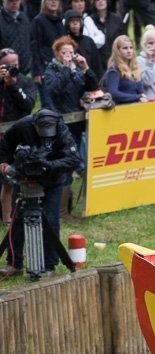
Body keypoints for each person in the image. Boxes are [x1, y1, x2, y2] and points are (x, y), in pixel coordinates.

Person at [0, 108, 80, 279]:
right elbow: (5, 143)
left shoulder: (61, 130)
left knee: (51, 220)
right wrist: (5, 162)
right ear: (34, 124)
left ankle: (49, 265)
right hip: (24, 179)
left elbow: (73, 159)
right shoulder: (22, 126)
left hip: (52, 180)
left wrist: (48, 165)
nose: (45, 135)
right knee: (17, 220)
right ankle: (14, 264)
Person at [44, 36, 99, 180]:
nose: (68, 56)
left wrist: (86, 68)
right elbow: (55, 91)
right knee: (66, 162)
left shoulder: (77, 71)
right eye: (64, 53)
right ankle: (63, 197)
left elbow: (93, 87)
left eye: (71, 52)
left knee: (75, 158)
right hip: (63, 123)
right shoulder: (51, 71)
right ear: (57, 54)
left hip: (77, 121)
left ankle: (67, 196)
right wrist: (66, 69)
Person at [0, 49, 36, 225]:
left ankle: (8, 220)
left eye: (16, 63)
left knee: (10, 178)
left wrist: (13, 85)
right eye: (8, 64)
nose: (13, 67)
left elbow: (29, 105)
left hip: (17, 137)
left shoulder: (25, 81)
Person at [30, 0, 64, 109]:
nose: (53, 2)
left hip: (60, 69)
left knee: (60, 105)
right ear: (44, 2)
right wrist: (37, 71)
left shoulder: (61, 21)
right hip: (44, 70)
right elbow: (34, 47)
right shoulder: (38, 21)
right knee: (49, 106)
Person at [0, 0, 33, 76]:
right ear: (3, 1)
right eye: (11, 0)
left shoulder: (24, 17)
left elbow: (30, 40)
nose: (14, 2)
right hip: (7, 69)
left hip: (26, 68)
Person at [104, 36, 147, 104]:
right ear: (118, 51)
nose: (129, 51)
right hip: (121, 109)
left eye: (131, 48)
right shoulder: (114, 69)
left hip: (137, 107)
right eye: (125, 48)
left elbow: (141, 92)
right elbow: (113, 94)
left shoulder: (134, 68)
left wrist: (141, 97)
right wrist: (137, 97)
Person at [90, 0, 125, 71]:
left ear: (107, 1)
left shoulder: (117, 19)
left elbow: (124, 39)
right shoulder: (90, 20)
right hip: (97, 63)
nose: (100, 1)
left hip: (116, 61)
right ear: (93, 2)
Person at [64, 9, 103, 79]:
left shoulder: (89, 41)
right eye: (72, 21)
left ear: (81, 23)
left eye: (77, 20)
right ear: (68, 23)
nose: (75, 23)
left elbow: (97, 65)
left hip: (90, 80)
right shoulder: (64, 43)